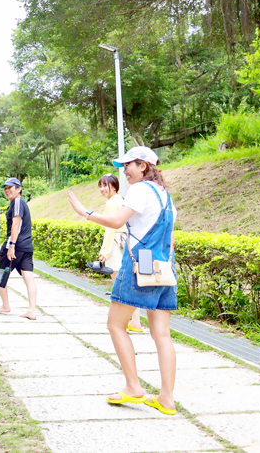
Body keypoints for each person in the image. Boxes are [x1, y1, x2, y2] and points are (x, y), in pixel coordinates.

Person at [67, 146, 178, 416]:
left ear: (143, 166)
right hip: (164, 267)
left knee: (116, 325)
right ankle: (166, 398)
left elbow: (117, 220)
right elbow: (171, 239)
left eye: (128, 164)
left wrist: (85, 212)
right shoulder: (166, 196)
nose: (124, 170)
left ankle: (133, 387)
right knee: (162, 334)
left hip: (140, 264)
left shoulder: (140, 190)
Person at [95, 174, 143, 332]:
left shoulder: (112, 202)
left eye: (105, 186)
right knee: (127, 284)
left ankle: (124, 321)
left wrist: (105, 251)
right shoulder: (122, 200)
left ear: (114, 187)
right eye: (100, 186)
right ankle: (134, 321)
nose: (102, 189)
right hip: (125, 243)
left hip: (116, 244)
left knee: (119, 285)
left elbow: (110, 228)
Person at [0, 177, 38, 320]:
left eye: (10, 188)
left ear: (19, 189)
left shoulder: (18, 202)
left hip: (15, 245)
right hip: (27, 246)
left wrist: (11, 246)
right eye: (5, 189)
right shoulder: (19, 202)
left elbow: (16, 224)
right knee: (28, 277)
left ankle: (5, 305)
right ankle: (32, 310)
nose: (7, 191)